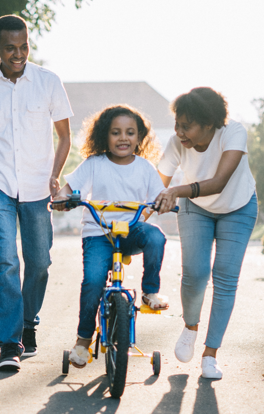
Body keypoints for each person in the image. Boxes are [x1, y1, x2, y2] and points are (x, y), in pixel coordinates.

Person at [0, 15, 73, 372]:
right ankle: (9, 343)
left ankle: (28, 324)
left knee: (39, 262)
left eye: (24, 46)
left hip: (38, 185)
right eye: (10, 48)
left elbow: (65, 136)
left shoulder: (48, 81)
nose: (19, 54)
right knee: (6, 260)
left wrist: (55, 175)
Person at [53, 105, 170, 368]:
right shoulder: (94, 164)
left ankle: (150, 292)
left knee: (156, 237)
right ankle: (83, 341)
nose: (123, 138)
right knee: (93, 281)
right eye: (116, 133)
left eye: (130, 132)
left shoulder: (145, 168)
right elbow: (68, 188)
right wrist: (62, 198)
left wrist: (164, 202)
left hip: (130, 231)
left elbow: (159, 196)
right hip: (98, 234)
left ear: (139, 138)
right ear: (105, 136)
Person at [154, 87, 258, 379]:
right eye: (177, 124)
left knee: (225, 276)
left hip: (238, 206)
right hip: (195, 208)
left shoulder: (233, 133)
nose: (179, 132)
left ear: (209, 124)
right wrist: (140, 212)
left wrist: (175, 190)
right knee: (195, 273)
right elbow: (156, 184)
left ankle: (210, 355)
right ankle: (190, 327)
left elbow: (220, 182)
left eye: (187, 126)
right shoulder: (177, 143)